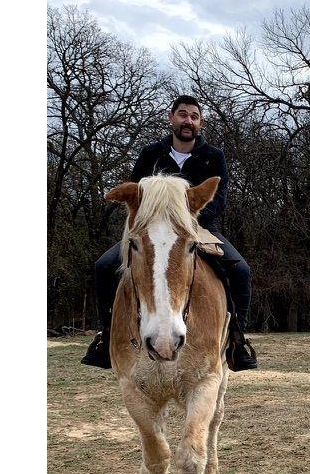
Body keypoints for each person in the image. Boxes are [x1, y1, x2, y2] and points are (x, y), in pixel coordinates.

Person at [81, 95, 258, 371]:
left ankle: (237, 340)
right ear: (171, 118)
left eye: (194, 117)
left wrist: (186, 221)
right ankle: (105, 336)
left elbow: (219, 199)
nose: (188, 121)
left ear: (200, 123)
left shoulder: (214, 157)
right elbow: (137, 196)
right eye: (183, 115)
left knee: (241, 271)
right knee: (103, 266)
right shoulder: (150, 154)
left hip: (198, 228)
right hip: (152, 231)